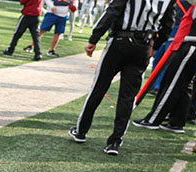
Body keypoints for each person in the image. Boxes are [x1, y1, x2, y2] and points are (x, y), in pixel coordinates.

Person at [69, 0, 175, 155]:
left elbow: (112, 12)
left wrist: (94, 39)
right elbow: (168, 25)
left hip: (119, 42)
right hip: (143, 46)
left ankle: (81, 131)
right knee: (128, 96)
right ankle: (114, 142)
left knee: (99, 87)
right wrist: (155, 46)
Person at [132, 0, 196, 132]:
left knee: (172, 82)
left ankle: (153, 119)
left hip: (193, 42)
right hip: (193, 42)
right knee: (184, 85)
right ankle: (177, 121)